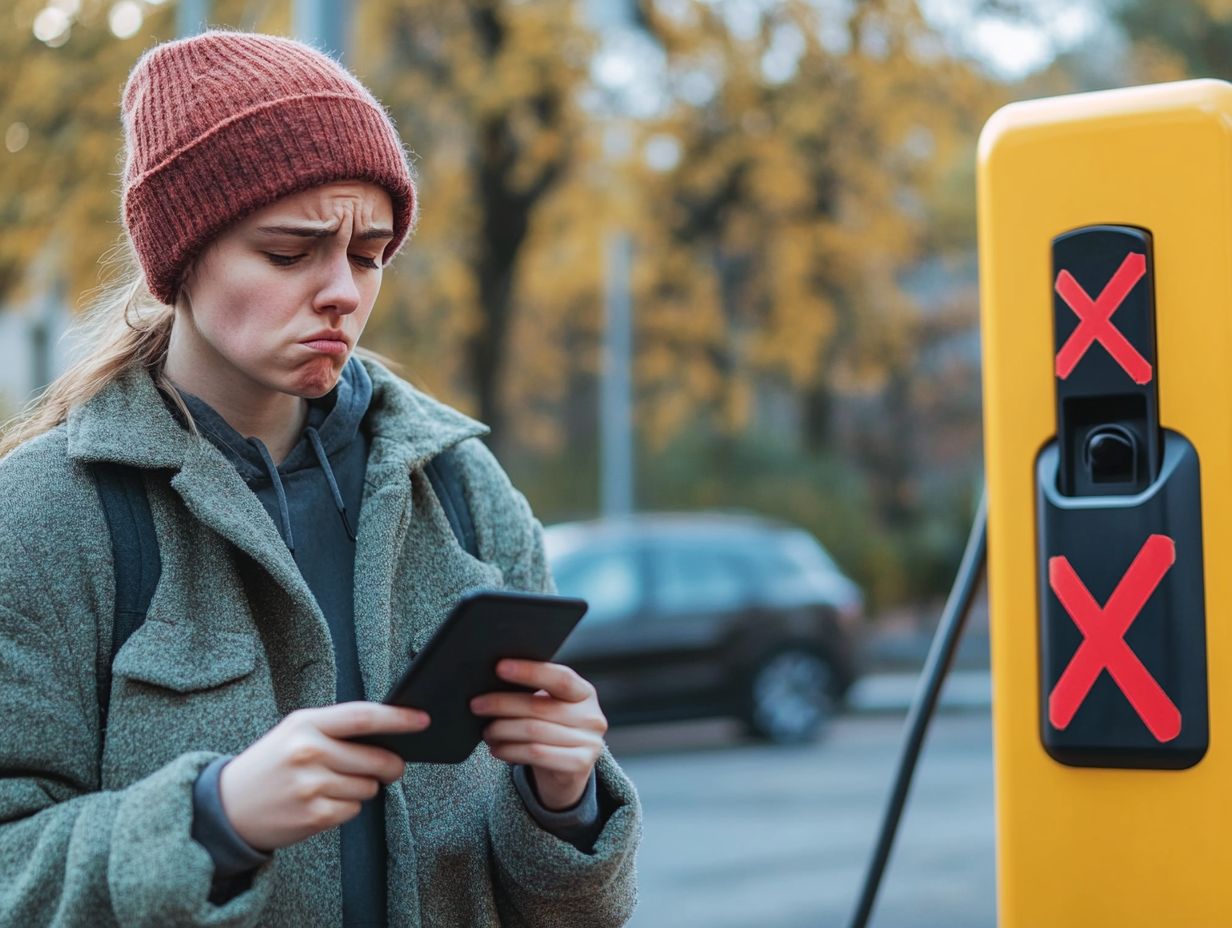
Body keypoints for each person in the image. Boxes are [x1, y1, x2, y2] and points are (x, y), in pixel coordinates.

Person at [0, 30, 640, 928]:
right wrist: (213, 820)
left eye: (369, 254)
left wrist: (563, 802)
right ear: (182, 256)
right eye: (291, 252)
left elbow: (567, 912)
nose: (342, 290)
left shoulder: (462, 490)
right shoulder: (43, 518)